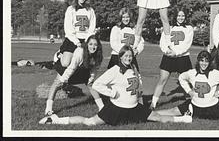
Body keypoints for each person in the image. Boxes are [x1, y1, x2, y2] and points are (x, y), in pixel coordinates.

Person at [39, 45, 193, 126]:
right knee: (90, 122)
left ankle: (185, 119)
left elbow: (138, 86)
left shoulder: (133, 68)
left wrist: (139, 94)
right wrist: (112, 94)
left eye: (130, 56)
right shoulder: (114, 70)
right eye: (125, 56)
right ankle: (56, 120)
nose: (128, 58)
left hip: (133, 108)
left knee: (157, 117)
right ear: (120, 57)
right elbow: (97, 84)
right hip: (116, 108)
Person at [44, 34, 104, 116]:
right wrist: (63, 80)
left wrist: (91, 79)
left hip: (81, 69)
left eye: (95, 45)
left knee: (91, 85)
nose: (93, 47)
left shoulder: (98, 56)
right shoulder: (80, 52)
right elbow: (72, 67)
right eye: (90, 44)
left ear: (98, 46)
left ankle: (102, 108)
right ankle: (48, 109)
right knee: (57, 83)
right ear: (87, 45)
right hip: (70, 67)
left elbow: (94, 69)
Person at [150, 8, 194, 109]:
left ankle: (193, 102)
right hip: (168, 57)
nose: (181, 18)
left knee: (188, 80)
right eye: (179, 15)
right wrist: (167, 52)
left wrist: (176, 53)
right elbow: (163, 42)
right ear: (175, 16)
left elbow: (187, 44)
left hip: (182, 57)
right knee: (162, 80)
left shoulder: (189, 28)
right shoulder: (168, 27)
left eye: (183, 16)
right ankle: (153, 103)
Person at [56, 0, 96, 67]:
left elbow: (92, 27)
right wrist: (76, 42)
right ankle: (59, 55)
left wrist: (86, 41)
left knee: (87, 64)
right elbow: (68, 28)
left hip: (85, 40)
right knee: (65, 63)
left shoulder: (90, 10)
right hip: (73, 39)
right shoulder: (71, 9)